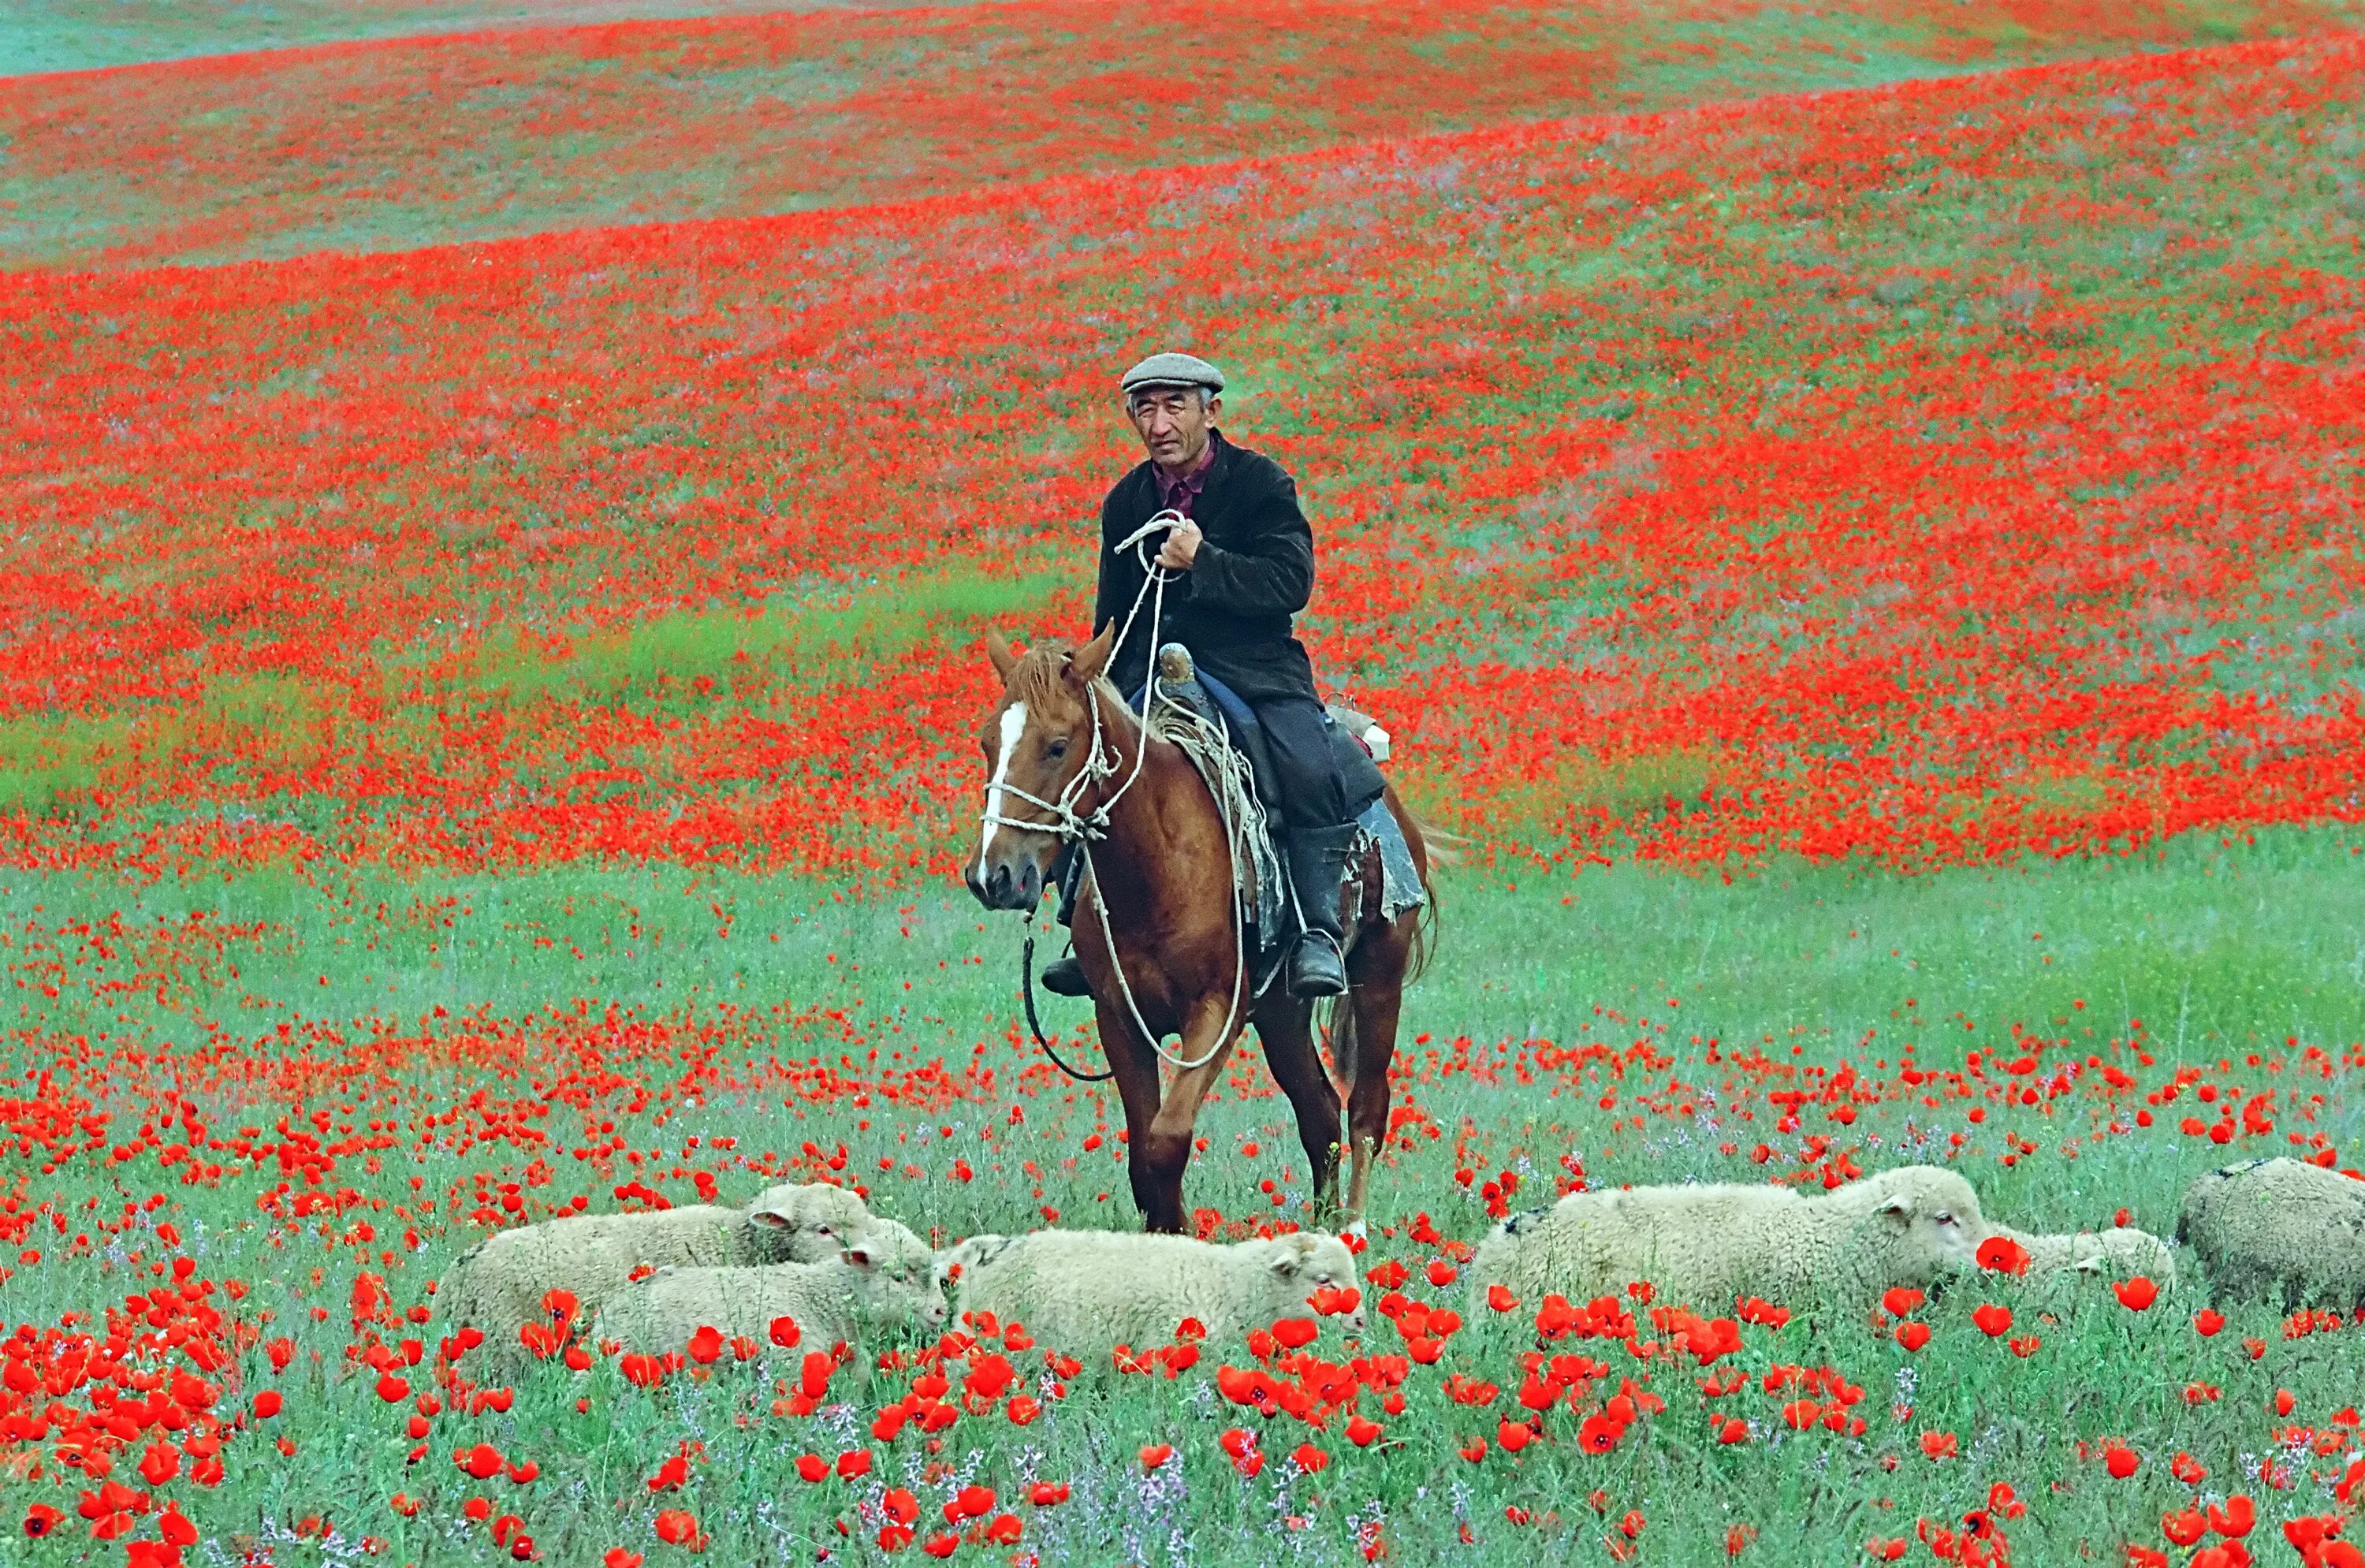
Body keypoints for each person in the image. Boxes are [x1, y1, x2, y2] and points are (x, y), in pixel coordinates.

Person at [1037, 352, 1360, 1001]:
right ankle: (1085, 927)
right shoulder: (1127, 502)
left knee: (1309, 763)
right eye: (1145, 408)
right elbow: (1115, 615)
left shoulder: (1261, 484)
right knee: (1083, 764)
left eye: (1174, 405)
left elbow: (1289, 583)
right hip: (1150, 673)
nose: (1158, 424)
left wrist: (1201, 560)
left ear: (1212, 411)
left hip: (1254, 671)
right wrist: (1093, 684)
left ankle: (1317, 930)